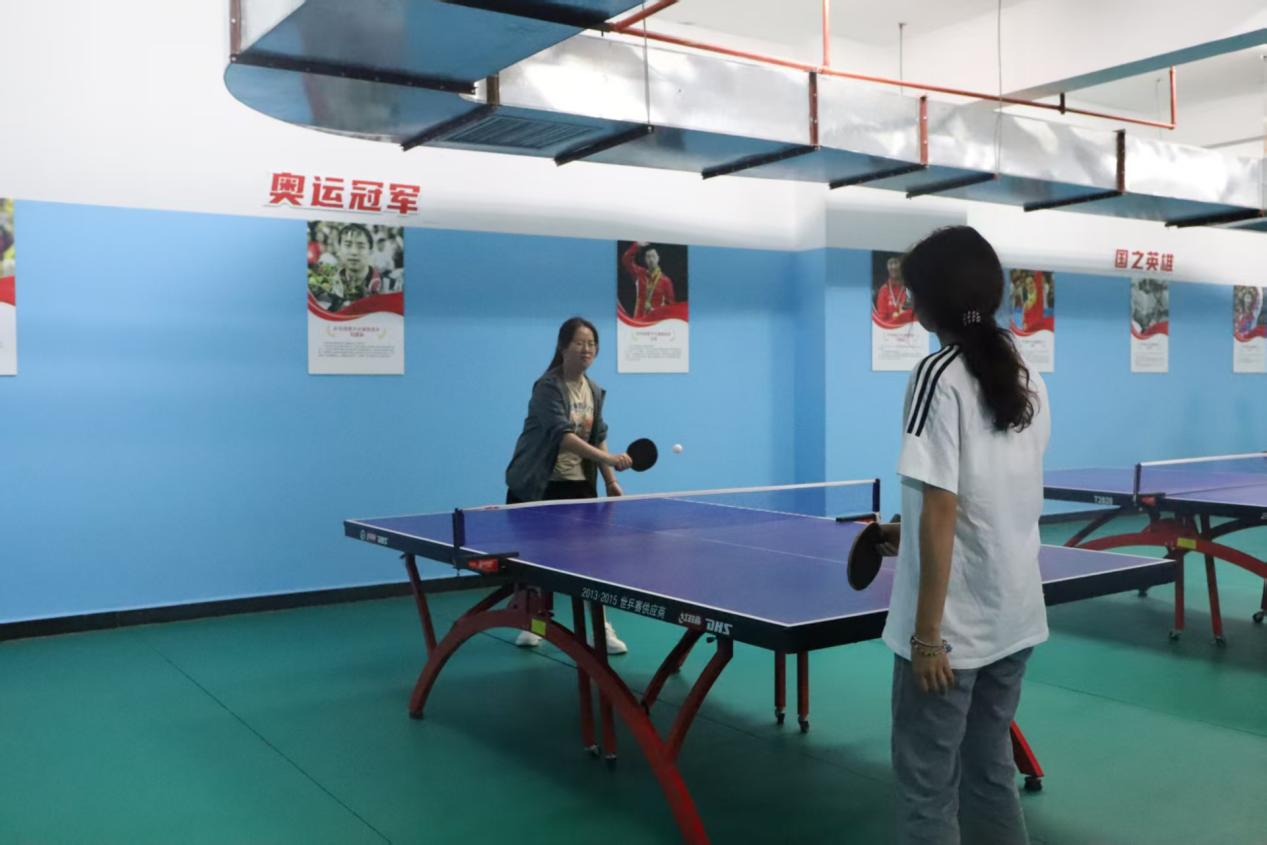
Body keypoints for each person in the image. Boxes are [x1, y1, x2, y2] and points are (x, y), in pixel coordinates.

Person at [877, 226, 1051, 845]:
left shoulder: (936, 374)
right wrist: (905, 533)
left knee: (927, 789)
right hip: (1015, 617)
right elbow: (990, 496)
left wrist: (927, 637)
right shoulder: (1026, 374)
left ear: (928, 304)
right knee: (990, 772)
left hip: (951, 634)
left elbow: (943, 507)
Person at [505, 317, 633, 654]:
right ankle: (532, 623)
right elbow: (562, 436)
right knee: (534, 562)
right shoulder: (547, 387)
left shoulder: (594, 390)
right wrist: (609, 460)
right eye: (579, 342)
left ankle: (599, 629)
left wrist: (611, 481)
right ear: (563, 347)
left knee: (591, 562)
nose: (586, 349)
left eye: (591, 344)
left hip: (578, 486)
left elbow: (598, 435)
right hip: (537, 486)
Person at [622, 242, 676, 319]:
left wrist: (653, 310)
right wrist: (636, 245)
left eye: (653, 256)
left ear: (658, 258)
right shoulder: (639, 274)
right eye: (648, 257)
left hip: (655, 321)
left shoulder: (666, 281)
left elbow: (671, 306)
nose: (651, 259)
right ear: (645, 259)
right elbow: (626, 260)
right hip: (639, 320)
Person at [875, 256, 913, 323]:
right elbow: (882, 319)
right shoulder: (884, 290)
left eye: (896, 262)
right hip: (890, 328)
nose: (893, 267)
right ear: (887, 267)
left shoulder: (910, 288)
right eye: (890, 263)